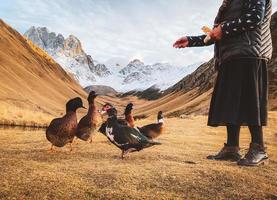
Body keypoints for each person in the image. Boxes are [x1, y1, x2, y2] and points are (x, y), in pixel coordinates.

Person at [173, 0, 272, 166]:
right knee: (231, 103)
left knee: (250, 101)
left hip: (249, 53)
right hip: (231, 56)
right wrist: (190, 40)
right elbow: (215, 35)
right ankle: (231, 148)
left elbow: (254, 18)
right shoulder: (229, 3)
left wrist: (223, 28)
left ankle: (259, 149)